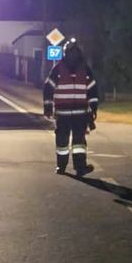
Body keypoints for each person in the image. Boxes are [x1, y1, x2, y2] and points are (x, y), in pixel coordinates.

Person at [43, 38, 99, 176]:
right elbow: (93, 90)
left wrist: (48, 108)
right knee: (78, 142)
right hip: (80, 114)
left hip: (64, 114)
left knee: (63, 141)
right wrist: (93, 108)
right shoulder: (85, 69)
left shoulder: (58, 69)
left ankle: (61, 167)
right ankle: (79, 168)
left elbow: (48, 88)